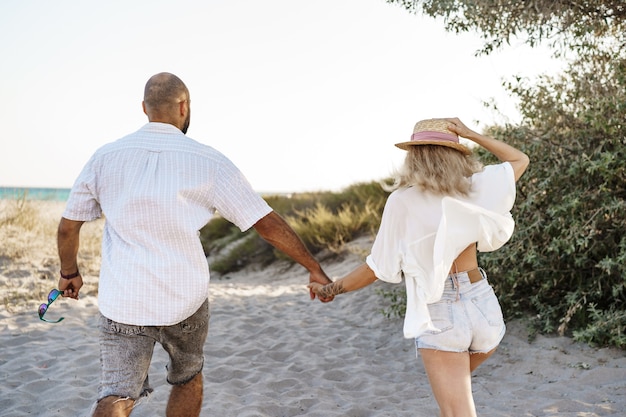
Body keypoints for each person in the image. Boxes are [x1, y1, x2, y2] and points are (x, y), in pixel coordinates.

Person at [56, 72, 333, 417]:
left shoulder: (104, 157)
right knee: (187, 376)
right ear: (184, 106)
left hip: (124, 301)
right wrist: (314, 267)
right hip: (184, 300)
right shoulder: (208, 160)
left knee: (117, 394)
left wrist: (69, 272)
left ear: (144, 108)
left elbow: (69, 227)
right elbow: (265, 223)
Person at [309, 117, 529, 417]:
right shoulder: (477, 188)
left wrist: (329, 290)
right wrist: (469, 133)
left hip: (441, 312)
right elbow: (519, 158)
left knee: (457, 412)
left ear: (414, 157)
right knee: (451, 405)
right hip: (484, 306)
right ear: (456, 155)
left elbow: (377, 268)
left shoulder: (402, 201)